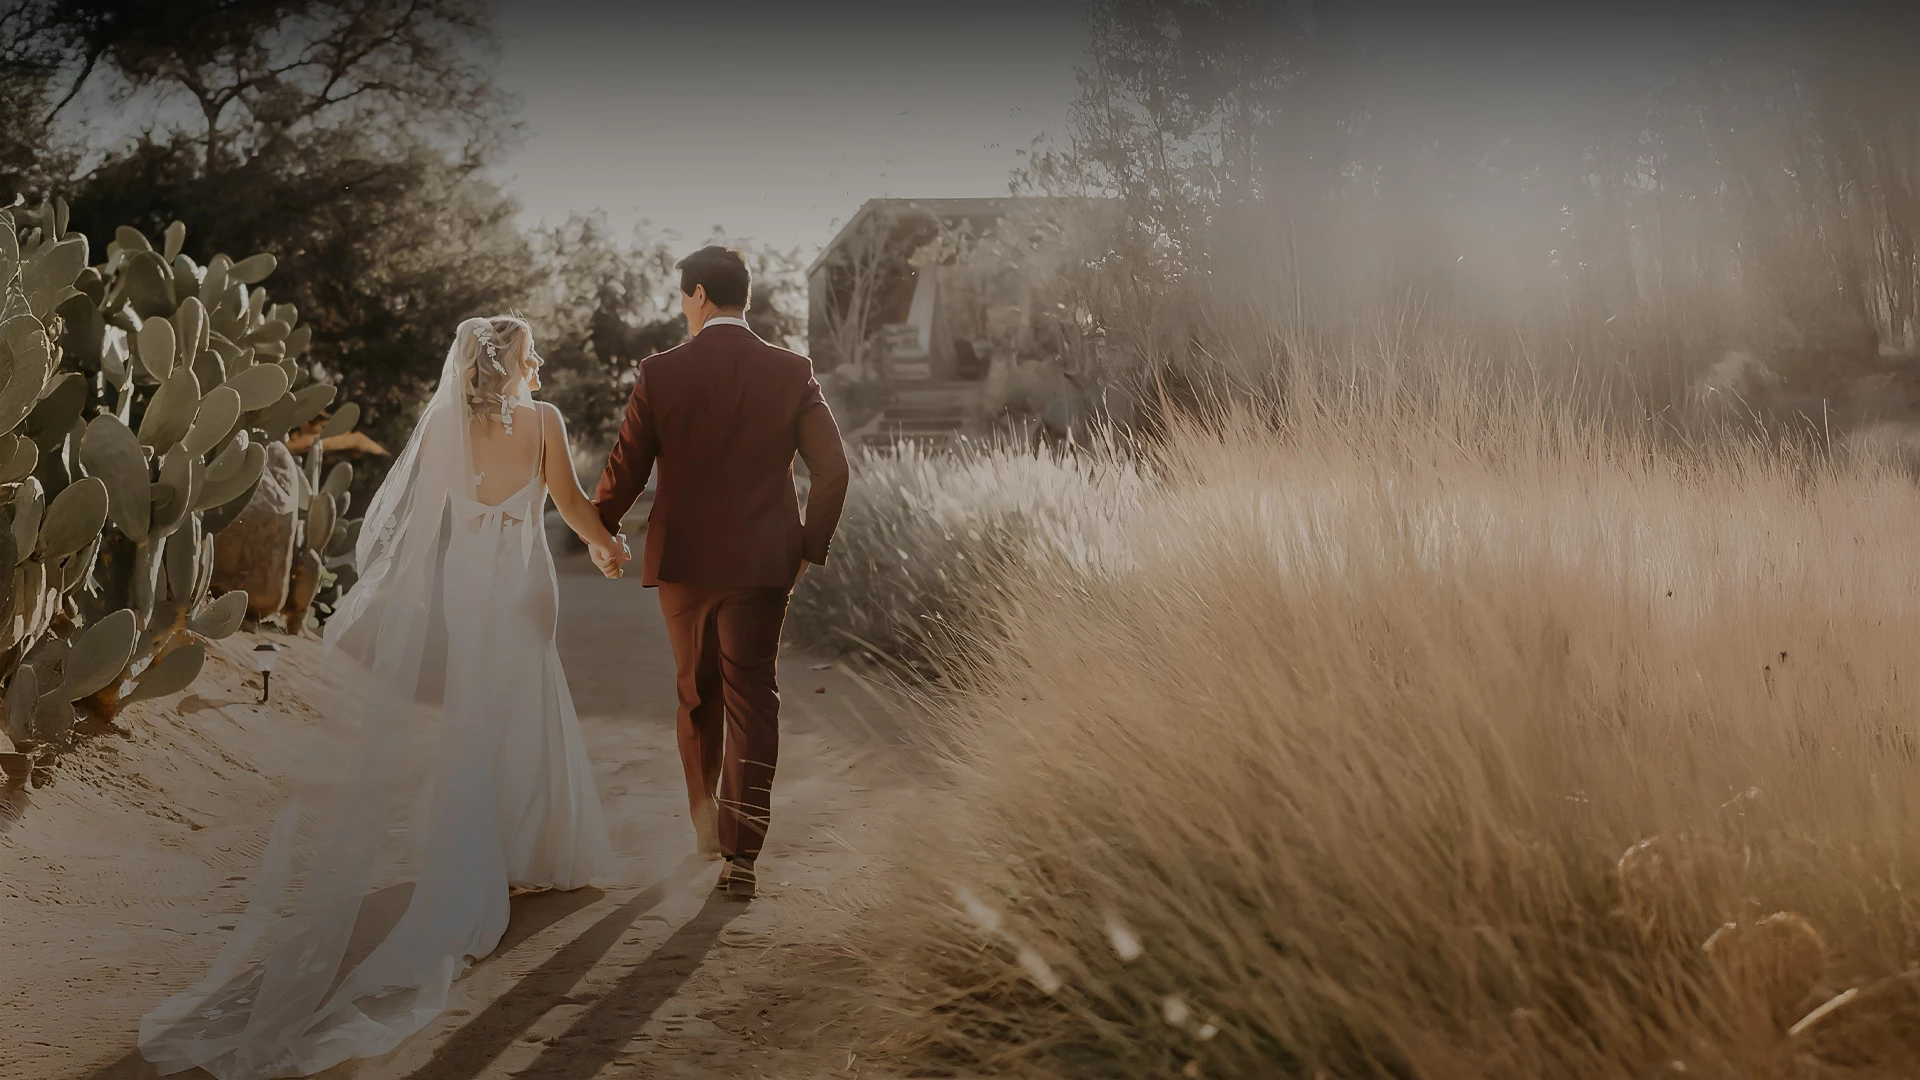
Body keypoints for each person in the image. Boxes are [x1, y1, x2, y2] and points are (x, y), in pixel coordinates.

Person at [138, 316, 624, 1080]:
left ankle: (484, 853)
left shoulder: (441, 430)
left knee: (474, 712)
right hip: (526, 586)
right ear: (516, 360)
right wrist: (607, 544)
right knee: (530, 705)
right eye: (533, 351)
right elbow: (567, 501)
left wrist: (402, 602)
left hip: (469, 590)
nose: (541, 360)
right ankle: (531, 849)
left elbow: (418, 532)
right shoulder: (545, 421)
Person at [592, 245, 850, 901]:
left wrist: (599, 530)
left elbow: (627, 467)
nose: (685, 309)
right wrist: (805, 547)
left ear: (699, 294)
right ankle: (743, 856)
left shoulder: (661, 371)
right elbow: (833, 470)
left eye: (684, 298)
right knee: (753, 698)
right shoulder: (792, 371)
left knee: (696, 695)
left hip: (685, 564)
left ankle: (706, 828)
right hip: (765, 565)